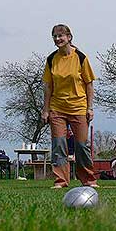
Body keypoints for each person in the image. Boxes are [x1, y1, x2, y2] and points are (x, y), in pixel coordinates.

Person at [42, 24, 99, 189]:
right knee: (59, 144)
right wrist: (45, 109)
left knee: (81, 146)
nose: (57, 39)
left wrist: (90, 107)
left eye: (61, 36)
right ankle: (61, 181)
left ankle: (88, 180)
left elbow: (89, 84)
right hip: (57, 108)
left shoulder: (81, 57)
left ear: (69, 37)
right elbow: (48, 86)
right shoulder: (51, 59)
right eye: (54, 36)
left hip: (78, 107)